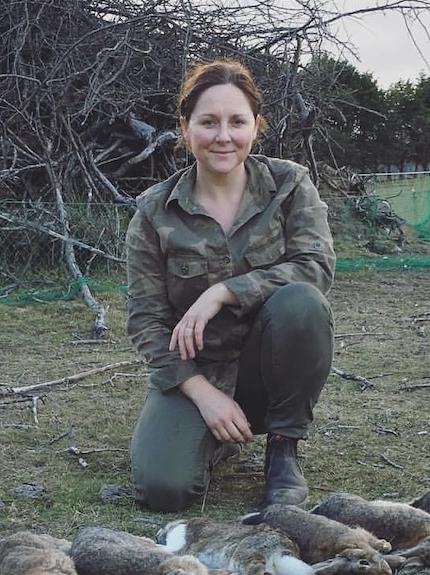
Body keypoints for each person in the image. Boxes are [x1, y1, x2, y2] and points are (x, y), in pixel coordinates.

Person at [125, 58, 336, 513]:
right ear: (185, 129)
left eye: (237, 121)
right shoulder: (153, 212)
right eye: (208, 122)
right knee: (164, 491)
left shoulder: (289, 185)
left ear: (256, 126)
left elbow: (315, 265)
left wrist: (223, 291)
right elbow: (146, 320)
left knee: (302, 302)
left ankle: (282, 449)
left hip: (271, 369)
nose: (223, 136)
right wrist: (202, 394)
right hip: (196, 373)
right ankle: (217, 438)